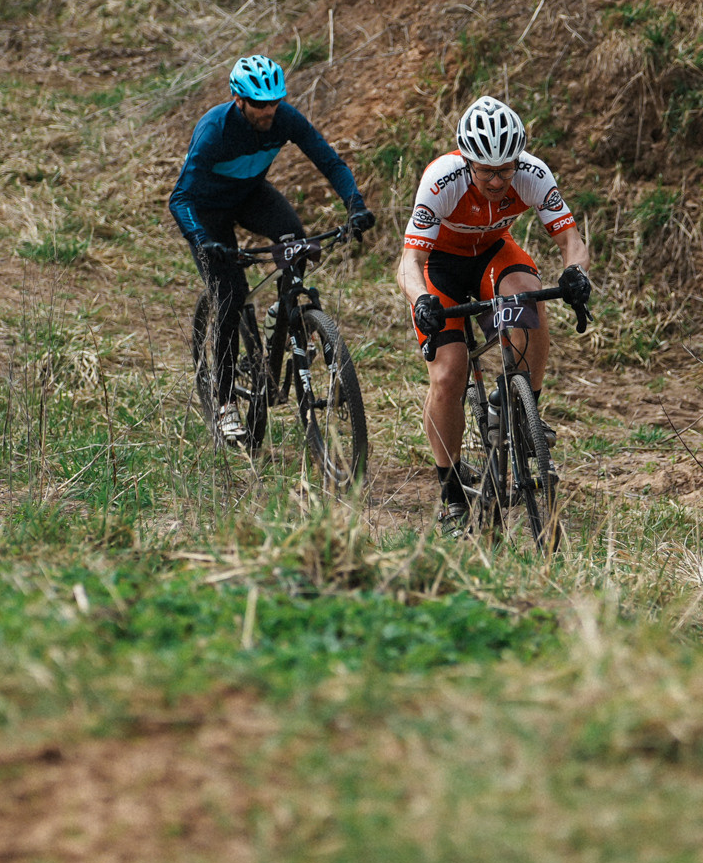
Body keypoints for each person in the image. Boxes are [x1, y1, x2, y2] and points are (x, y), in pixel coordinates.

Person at [397, 94, 593, 525]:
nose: (497, 180)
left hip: (492, 253)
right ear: (467, 160)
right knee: (449, 375)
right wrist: (422, 299)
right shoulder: (441, 180)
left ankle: (526, 411)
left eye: (506, 169)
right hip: (440, 267)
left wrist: (575, 273)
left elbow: (571, 241)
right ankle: (451, 494)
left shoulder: (533, 173)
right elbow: (409, 262)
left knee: (530, 297)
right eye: (486, 170)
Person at [170, 55, 374, 443]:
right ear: (238, 99)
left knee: (296, 245)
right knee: (230, 295)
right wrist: (203, 241)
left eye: (274, 103)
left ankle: (285, 320)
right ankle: (226, 401)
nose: (268, 112)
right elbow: (179, 198)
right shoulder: (215, 129)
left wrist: (355, 205)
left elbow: (329, 161)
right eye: (259, 105)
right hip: (208, 211)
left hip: (250, 196)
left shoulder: (284, 118)